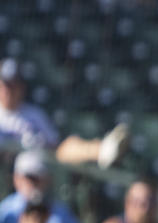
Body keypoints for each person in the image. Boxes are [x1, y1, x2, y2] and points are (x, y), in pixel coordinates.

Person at [0, 58, 128, 168]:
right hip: (7, 169)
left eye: (13, 85)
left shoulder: (35, 114)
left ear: (22, 87)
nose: (8, 91)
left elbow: (56, 148)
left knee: (66, 147)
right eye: (5, 85)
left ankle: (102, 149)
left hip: (35, 169)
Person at [0, 149, 83, 223]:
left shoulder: (61, 211)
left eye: (37, 178)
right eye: (29, 177)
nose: (32, 183)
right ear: (16, 178)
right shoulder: (5, 210)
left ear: (47, 179)